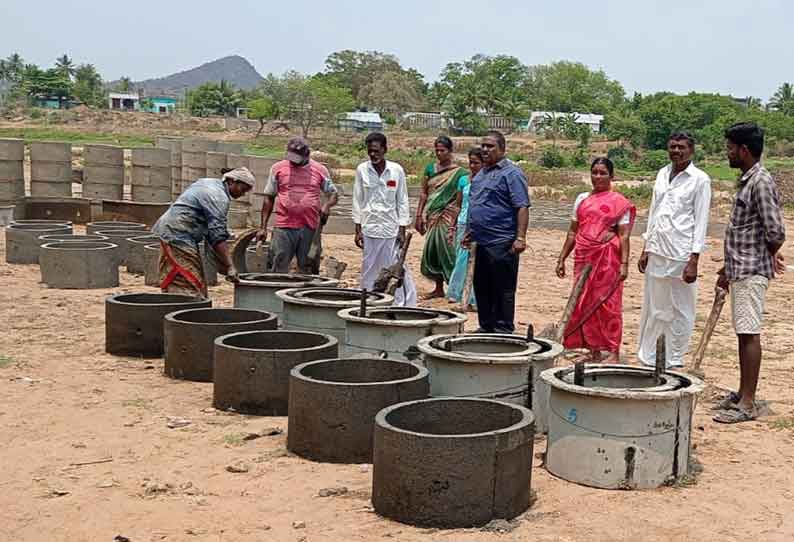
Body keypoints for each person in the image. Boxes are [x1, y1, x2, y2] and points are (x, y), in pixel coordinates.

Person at [713, 122, 786, 424]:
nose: (727, 153)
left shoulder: (761, 182)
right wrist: (726, 268)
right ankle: (743, 392)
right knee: (743, 333)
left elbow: (776, 232)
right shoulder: (748, 180)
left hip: (751, 270)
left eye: (730, 147)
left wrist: (762, 256)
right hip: (741, 268)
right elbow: (748, 231)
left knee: (748, 334)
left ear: (744, 150)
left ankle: (748, 402)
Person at [637, 132, 712, 368]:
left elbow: (701, 221)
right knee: (656, 307)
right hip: (658, 249)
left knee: (681, 309)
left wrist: (694, 259)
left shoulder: (700, 180)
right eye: (672, 147)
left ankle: (675, 357)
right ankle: (651, 355)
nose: (676, 151)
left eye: (681, 147)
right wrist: (646, 247)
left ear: (691, 150)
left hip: (681, 253)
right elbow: (654, 212)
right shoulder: (662, 173)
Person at [556, 158, 635, 361]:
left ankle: (613, 351)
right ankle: (594, 350)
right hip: (583, 256)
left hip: (607, 259)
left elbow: (624, 235)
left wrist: (624, 264)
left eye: (603, 173)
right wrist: (561, 258)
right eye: (595, 172)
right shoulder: (582, 198)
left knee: (607, 304)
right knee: (583, 300)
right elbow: (573, 231)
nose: (598, 177)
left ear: (612, 176)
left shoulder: (619, 202)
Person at [463, 131, 530, 333]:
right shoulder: (481, 173)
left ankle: (503, 329)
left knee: (502, 289)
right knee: (482, 286)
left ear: (502, 149)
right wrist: (469, 230)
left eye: (490, 146)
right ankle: (486, 325)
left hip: (502, 241)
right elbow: (475, 202)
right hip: (480, 241)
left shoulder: (512, 174)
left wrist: (520, 237)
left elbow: (522, 206)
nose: (485, 150)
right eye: (483, 146)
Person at [152, 167, 254, 297]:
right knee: (188, 278)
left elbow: (212, 224)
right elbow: (217, 236)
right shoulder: (219, 197)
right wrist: (229, 266)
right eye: (243, 189)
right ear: (232, 181)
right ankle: (185, 306)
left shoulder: (208, 182)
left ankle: (177, 302)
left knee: (180, 273)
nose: (243, 194)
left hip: (172, 228)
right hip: (177, 233)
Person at [256, 137, 338, 274]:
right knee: (278, 264)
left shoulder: (320, 170)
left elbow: (333, 194)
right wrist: (263, 227)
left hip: (310, 227)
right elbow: (269, 198)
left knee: (308, 266)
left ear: (307, 155)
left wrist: (327, 206)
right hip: (284, 227)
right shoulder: (278, 168)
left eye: (297, 159)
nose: (293, 162)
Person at [352, 132, 417, 307]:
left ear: (385, 150)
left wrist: (402, 229)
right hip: (370, 228)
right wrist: (358, 230)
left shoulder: (396, 171)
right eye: (370, 151)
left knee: (394, 268)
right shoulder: (362, 170)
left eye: (376, 151)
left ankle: (400, 304)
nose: (373, 155)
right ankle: (368, 302)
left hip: (390, 228)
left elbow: (402, 200)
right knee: (369, 268)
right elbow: (358, 200)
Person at [415, 136, 468, 299]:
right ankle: (438, 288)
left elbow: (460, 198)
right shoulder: (430, 169)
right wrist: (419, 214)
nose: (439, 154)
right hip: (432, 214)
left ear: (450, 151)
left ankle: (456, 287)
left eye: (442, 150)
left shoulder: (460, 173)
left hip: (448, 216)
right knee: (433, 250)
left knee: (448, 251)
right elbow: (424, 193)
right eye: (436, 150)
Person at [447, 148, 482, 309]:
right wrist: (451, 226)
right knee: (462, 259)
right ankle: (458, 293)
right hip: (463, 223)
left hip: (479, 224)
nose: (473, 166)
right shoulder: (463, 180)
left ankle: (474, 298)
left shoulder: (485, 181)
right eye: (471, 162)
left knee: (477, 261)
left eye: (476, 163)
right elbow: (458, 205)